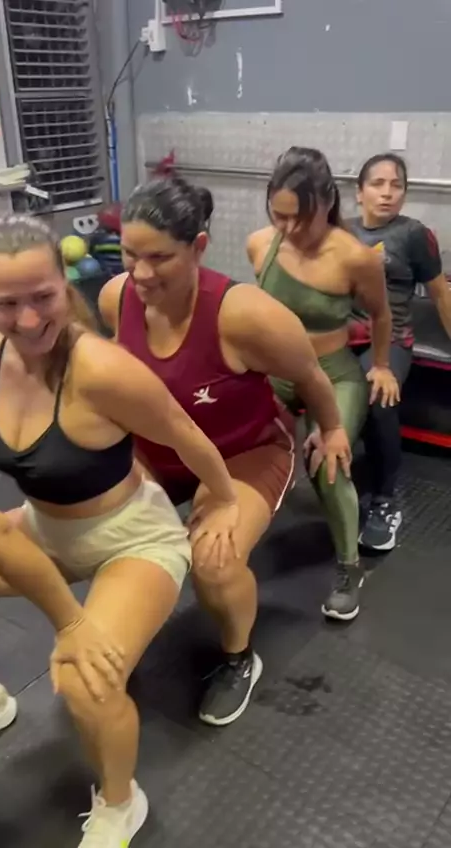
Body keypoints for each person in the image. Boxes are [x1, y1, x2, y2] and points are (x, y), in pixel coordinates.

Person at [0, 214, 250, 848]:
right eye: (5, 304)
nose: (28, 320)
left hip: (132, 539)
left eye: (42, 296)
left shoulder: (102, 369)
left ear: (63, 283)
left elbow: (185, 432)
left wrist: (227, 500)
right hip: (43, 528)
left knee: (84, 681)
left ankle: (120, 804)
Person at [99, 175, 351, 728]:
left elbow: (311, 375)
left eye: (159, 258)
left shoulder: (246, 314)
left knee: (213, 561)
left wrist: (332, 430)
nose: (141, 273)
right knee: (106, 530)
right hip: (159, 451)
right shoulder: (116, 296)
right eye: (130, 254)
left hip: (246, 450)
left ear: (199, 247)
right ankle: (119, 636)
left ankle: (239, 659)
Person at [247, 146, 398, 622]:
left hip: (332, 373)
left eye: (302, 217)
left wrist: (381, 365)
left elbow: (380, 315)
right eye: (279, 215)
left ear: (328, 202)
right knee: (233, 439)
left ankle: (350, 569)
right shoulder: (260, 244)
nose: (289, 228)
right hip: (275, 370)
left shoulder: (355, 258)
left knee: (326, 464)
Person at [347, 152, 451, 550]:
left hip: (391, 338)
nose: (387, 193)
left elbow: (440, 294)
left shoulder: (414, 235)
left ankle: (385, 500)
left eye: (397, 185)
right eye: (378, 184)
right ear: (359, 192)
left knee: (379, 399)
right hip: (344, 336)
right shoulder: (341, 232)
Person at [0, 496, 127, 733]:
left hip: (122, 526)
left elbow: (0, 537)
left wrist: (71, 623)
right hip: (54, 515)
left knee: (84, 684)